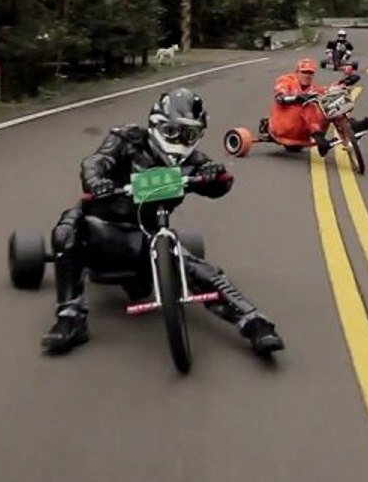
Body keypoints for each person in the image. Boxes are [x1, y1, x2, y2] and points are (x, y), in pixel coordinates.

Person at [42, 87, 285, 357]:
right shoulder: (127, 139)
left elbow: (218, 186)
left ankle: (255, 324)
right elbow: (96, 161)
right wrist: (97, 182)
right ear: (155, 124)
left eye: (189, 134)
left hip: (146, 237)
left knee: (196, 268)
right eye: (172, 132)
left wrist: (214, 175)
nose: (179, 140)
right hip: (98, 225)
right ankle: (70, 316)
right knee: (65, 231)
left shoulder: (193, 161)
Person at [269, 58, 368, 156]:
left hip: (302, 133)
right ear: (297, 72)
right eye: (304, 72)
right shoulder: (286, 81)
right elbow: (280, 96)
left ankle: (351, 125)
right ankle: (319, 138)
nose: (307, 76)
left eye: (310, 73)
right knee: (308, 104)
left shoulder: (313, 89)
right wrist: (295, 98)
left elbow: (329, 90)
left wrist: (345, 82)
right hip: (283, 127)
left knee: (330, 103)